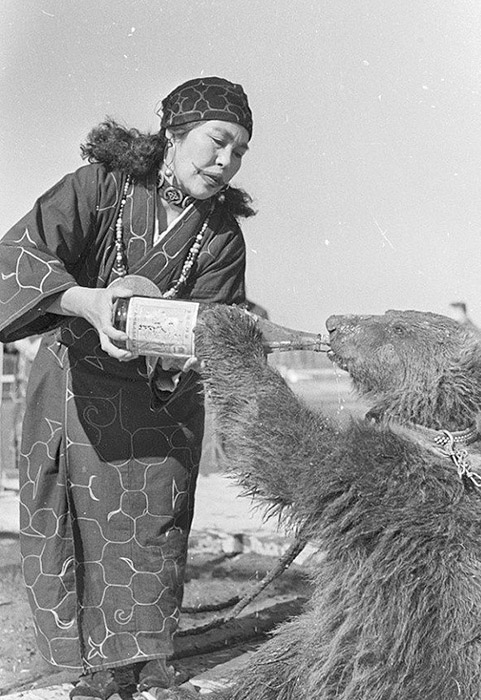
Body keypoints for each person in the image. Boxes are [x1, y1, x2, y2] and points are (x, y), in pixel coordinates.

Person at [0, 76, 254, 700]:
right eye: (217, 142)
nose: (227, 161)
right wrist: (88, 303)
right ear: (174, 133)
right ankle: (99, 669)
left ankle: (153, 660)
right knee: (79, 522)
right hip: (71, 386)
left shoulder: (220, 236)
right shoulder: (100, 188)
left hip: (159, 397)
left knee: (154, 520)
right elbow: (18, 258)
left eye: (241, 152)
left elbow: (212, 324)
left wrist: (171, 351)